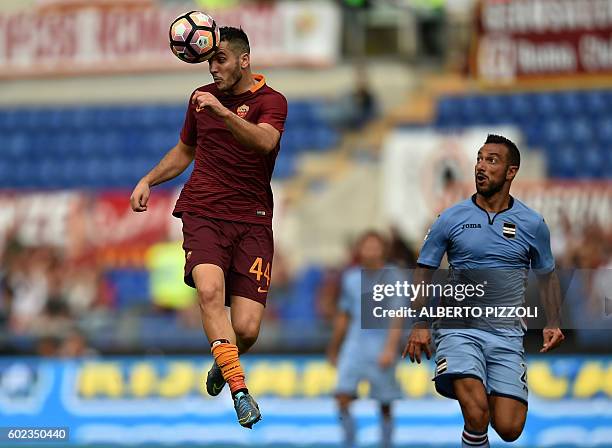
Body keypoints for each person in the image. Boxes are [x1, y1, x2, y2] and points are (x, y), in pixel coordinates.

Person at [130, 26, 287, 428]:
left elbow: (265, 143)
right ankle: (240, 391)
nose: (212, 68)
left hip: (252, 220)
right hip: (204, 211)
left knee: (247, 330)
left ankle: (225, 357)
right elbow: (185, 150)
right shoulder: (200, 100)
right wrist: (149, 179)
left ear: (244, 60)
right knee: (209, 290)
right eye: (209, 61)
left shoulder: (272, 102)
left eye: (220, 60)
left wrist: (222, 113)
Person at [403, 134, 564, 447]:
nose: (481, 166)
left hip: (506, 335)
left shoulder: (532, 224)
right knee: (476, 414)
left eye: (492, 160)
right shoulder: (451, 218)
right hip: (457, 328)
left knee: (509, 427)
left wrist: (553, 320)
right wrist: (420, 323)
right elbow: (423, 272)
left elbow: (548, 276)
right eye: (479, 158)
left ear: (510, 171)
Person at [327, 231, 402, 448]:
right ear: (359, 250)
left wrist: (390, 348)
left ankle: (386, 442)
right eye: (366, 246)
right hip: (354, 346)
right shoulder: (351, 278)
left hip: (381, 347)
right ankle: (349, 439)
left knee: (385, 402)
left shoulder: (394, 277)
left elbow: (398, 316)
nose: (370, 250)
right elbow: (344, 315)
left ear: (383, 249)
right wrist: (334, 347)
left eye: (375, 246)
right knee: (342, 396)